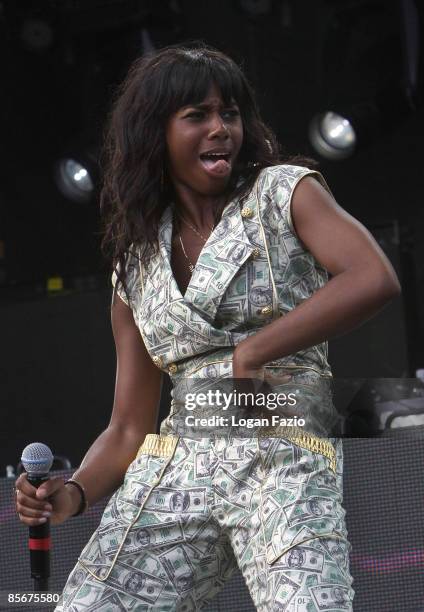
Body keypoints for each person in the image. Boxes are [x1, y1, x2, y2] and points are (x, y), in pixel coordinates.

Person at [14, 42, 401, 611]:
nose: (221, 129)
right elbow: (127, 427)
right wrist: (72, 495)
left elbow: (372, 277)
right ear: (156, 134)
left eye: (230, 113)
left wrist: (254, 352)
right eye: (197, 116)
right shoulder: (137, 262)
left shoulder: (282, 193)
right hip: (175, 471)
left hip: (282, 454)